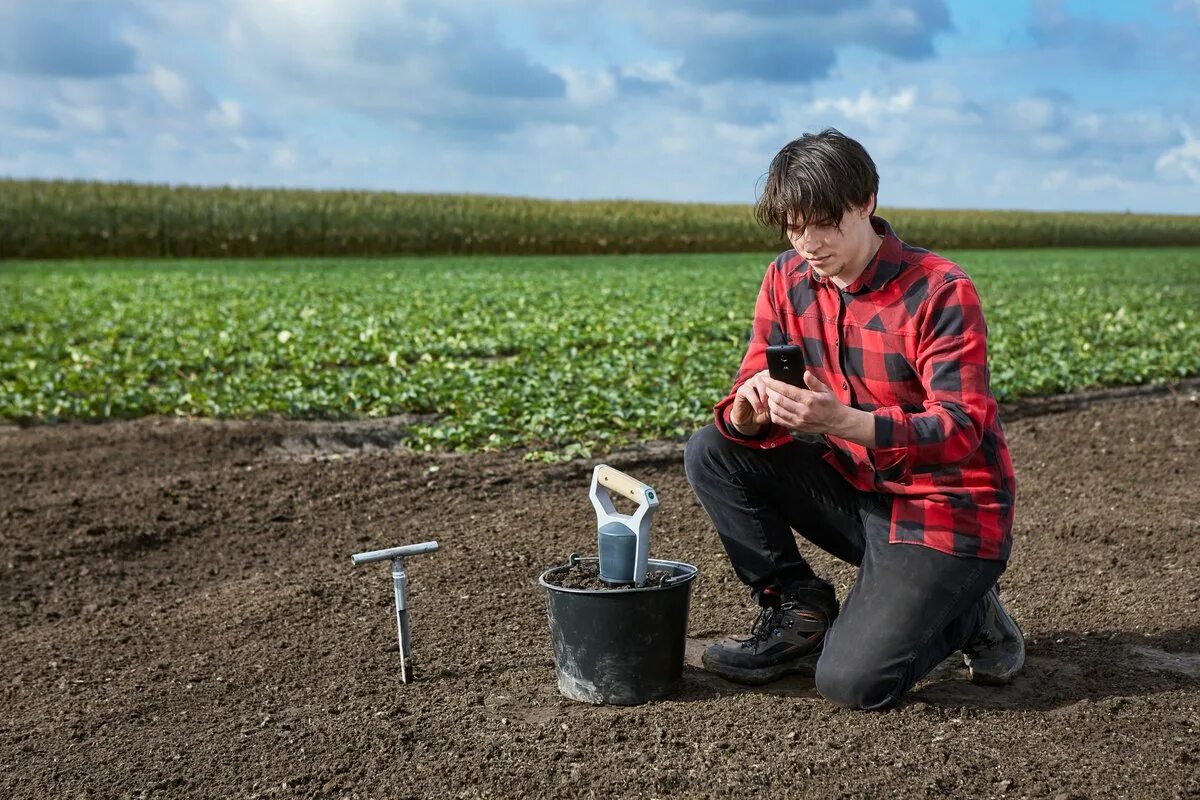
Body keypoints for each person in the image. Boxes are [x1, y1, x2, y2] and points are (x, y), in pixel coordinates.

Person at [684, 128, 1023, 711]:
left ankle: (970, 612)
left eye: (825, 223)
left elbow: (961, 429)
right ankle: (800, 611)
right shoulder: (786, 279)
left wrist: (847, 421)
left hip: (946, 510)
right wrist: (747, 411)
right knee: (713, 448)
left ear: (866, 203)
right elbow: (748, 383)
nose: (809, 243)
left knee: (852, 683)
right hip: (860, 487)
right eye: (794, 226)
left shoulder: (940, 289)